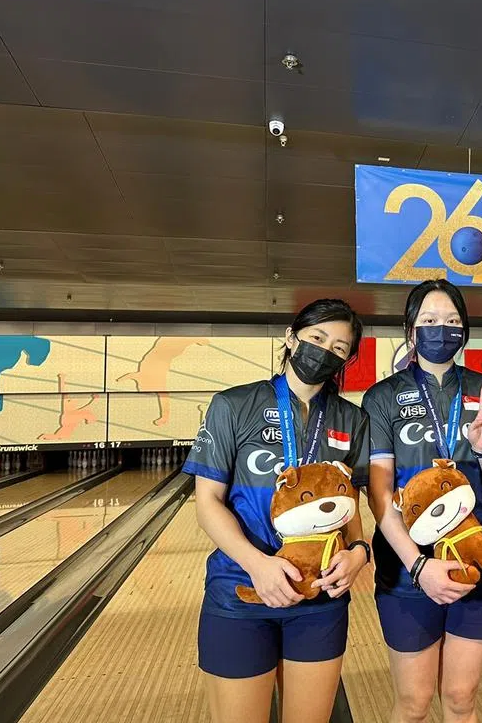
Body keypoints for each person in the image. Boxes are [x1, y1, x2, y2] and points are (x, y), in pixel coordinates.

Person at [185, 298, 371, 723]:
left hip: (319, 597)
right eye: (317, 338)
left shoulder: (351, 419)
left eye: (340, 348)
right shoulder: (233, 406)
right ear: (291, 338)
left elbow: (350, 505)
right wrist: (258, 566)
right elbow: (208, 502)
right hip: (240, 591)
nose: (326, 351)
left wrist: (359, 552)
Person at [364, 279, 482, 723]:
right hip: (407, 571)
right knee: (413, 704)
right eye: (429, 320)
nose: (441, 329)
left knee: (462, 698)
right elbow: (378, 494)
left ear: (464, 330)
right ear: (411, 330)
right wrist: (418, 566)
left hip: (473, 560)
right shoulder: (383, 397)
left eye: (451, 321)